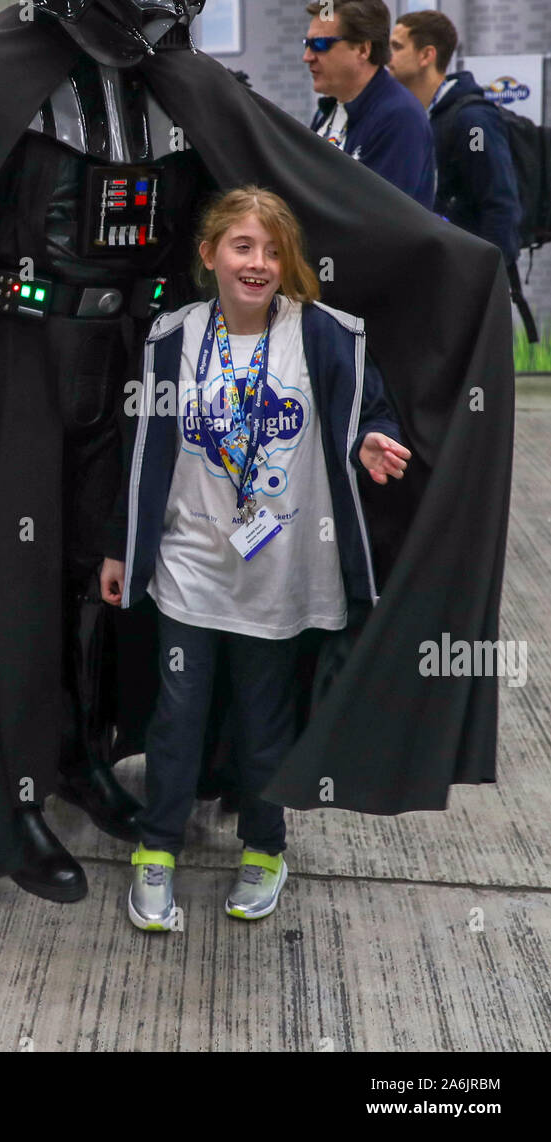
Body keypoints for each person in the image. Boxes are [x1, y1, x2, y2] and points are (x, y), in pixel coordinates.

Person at [0, 0, 514, 938]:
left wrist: (443, 271)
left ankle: (90, 758)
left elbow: (288, 211)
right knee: (9, 588)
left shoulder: (191, 88)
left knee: (115, 574)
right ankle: (8, 796)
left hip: (139, 365)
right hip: (7, 364)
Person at [100, 186, 410, 929]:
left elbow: (368, 411)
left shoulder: (323, 334)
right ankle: (157, 849)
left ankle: (265, 847)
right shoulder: (172, 336)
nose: (259, 262)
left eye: (273, 250)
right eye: (242, 246)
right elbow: (141, 453)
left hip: (279, 573)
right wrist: (122, 546)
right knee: (177, 715)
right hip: (189, 567)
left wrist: (366, 440)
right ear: (209, 256)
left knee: (266, 720)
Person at [388, 10, 523, 269]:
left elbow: (499, 204)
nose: (387, 57)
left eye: (396, 47)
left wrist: (486, 279)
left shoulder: (473, 120)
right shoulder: (412, 118)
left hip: (464, 276)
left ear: (426, 55)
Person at [306, 0, 436, 208]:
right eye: (306, 44)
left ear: (363, 49)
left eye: (320, 45)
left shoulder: (399, 117)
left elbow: (381, 218)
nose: (307, 57)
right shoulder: (329, 111)